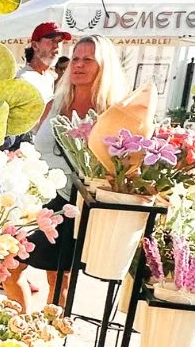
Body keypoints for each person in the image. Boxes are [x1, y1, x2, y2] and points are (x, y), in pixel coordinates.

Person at [13, 34, 130, 309]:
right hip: (34, 200)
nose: (78, 65)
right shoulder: (54, 103)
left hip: (72, 203)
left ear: (104, 66)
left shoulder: (111, 114)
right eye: (76, 58)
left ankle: (51, 340)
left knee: (59, 281)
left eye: (88, 59)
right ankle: (24, 328)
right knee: (8, 268)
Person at [15, 22, 69, 102]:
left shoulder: (49, 78)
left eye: (59, 41)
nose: (56, 46)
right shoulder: (22, 79)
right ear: (35, 46)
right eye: (52, 41)